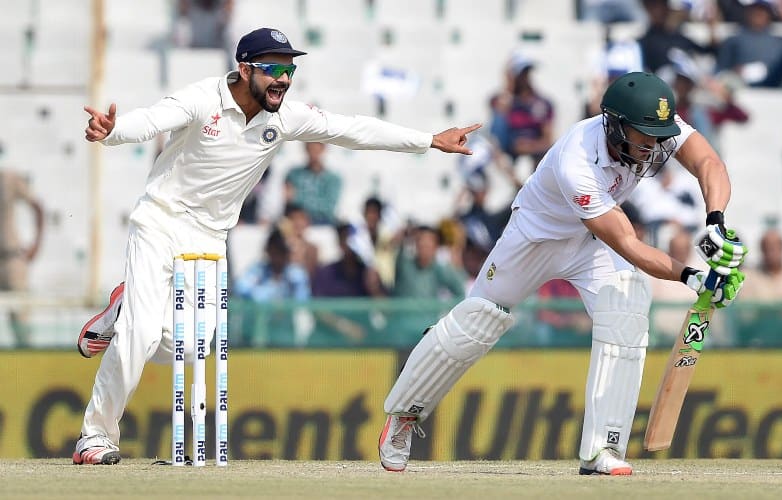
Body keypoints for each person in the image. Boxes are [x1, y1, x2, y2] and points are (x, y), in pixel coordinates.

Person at [73, 27, 482, 465]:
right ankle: (95, 437)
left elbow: (352, 129)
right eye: (272, 69)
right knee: (140, 333)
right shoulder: (203, 99)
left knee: (191, 348)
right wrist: (113, 131)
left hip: (210, 235)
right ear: (244, 68)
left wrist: (430, 140)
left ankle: (122, 308)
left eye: (289, 69)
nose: (283, 79)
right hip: (160, 220)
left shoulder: (283, 118)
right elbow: (152, 119)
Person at [377, 72, 748, 476]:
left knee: (626, 309)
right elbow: (626, 241)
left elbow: (708, 161)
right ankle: (404, 416)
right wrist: (692, 277)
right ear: (615, 123)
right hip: (535, 238)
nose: (655, 145)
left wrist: (715, 222)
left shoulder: (653, 129)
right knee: (476, 322)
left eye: (659, 136)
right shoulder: (578, 159)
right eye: (645, 136)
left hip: (589, 245)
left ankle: (603, 448)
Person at [715, 0, 782, 88]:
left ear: (769, 15)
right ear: (748, 12)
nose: (759, 14)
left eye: (763, 11)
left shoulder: (779, 38)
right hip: (744, 82)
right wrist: (734, 72)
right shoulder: (734, 39)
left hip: (772, 78)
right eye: (755, 10)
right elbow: (721, 68)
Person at [0, 168, 44, 348]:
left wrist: (36, 244)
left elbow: (37, 206)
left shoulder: (8, 178)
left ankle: (26, 368)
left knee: (21, 321)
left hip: (11, 258)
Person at [488, 52, 555, 169]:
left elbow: (548, 139)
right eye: (521, 73)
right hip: (509, 155)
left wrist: (531, 146)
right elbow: (497, 135)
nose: (524, 77)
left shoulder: (542, 103)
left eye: (526, 72)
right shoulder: (500, 100)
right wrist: (509, 87)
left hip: (535, 155)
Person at [283, 141, 342, 226]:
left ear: (323, 149)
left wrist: (297, 198)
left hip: (323, 223)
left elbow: (329, 207)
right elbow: (288, 201)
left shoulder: (333, 179)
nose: (313, 153)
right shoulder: (293, 174)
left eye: (316, 149)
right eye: (310, 148)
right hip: (296, 223)